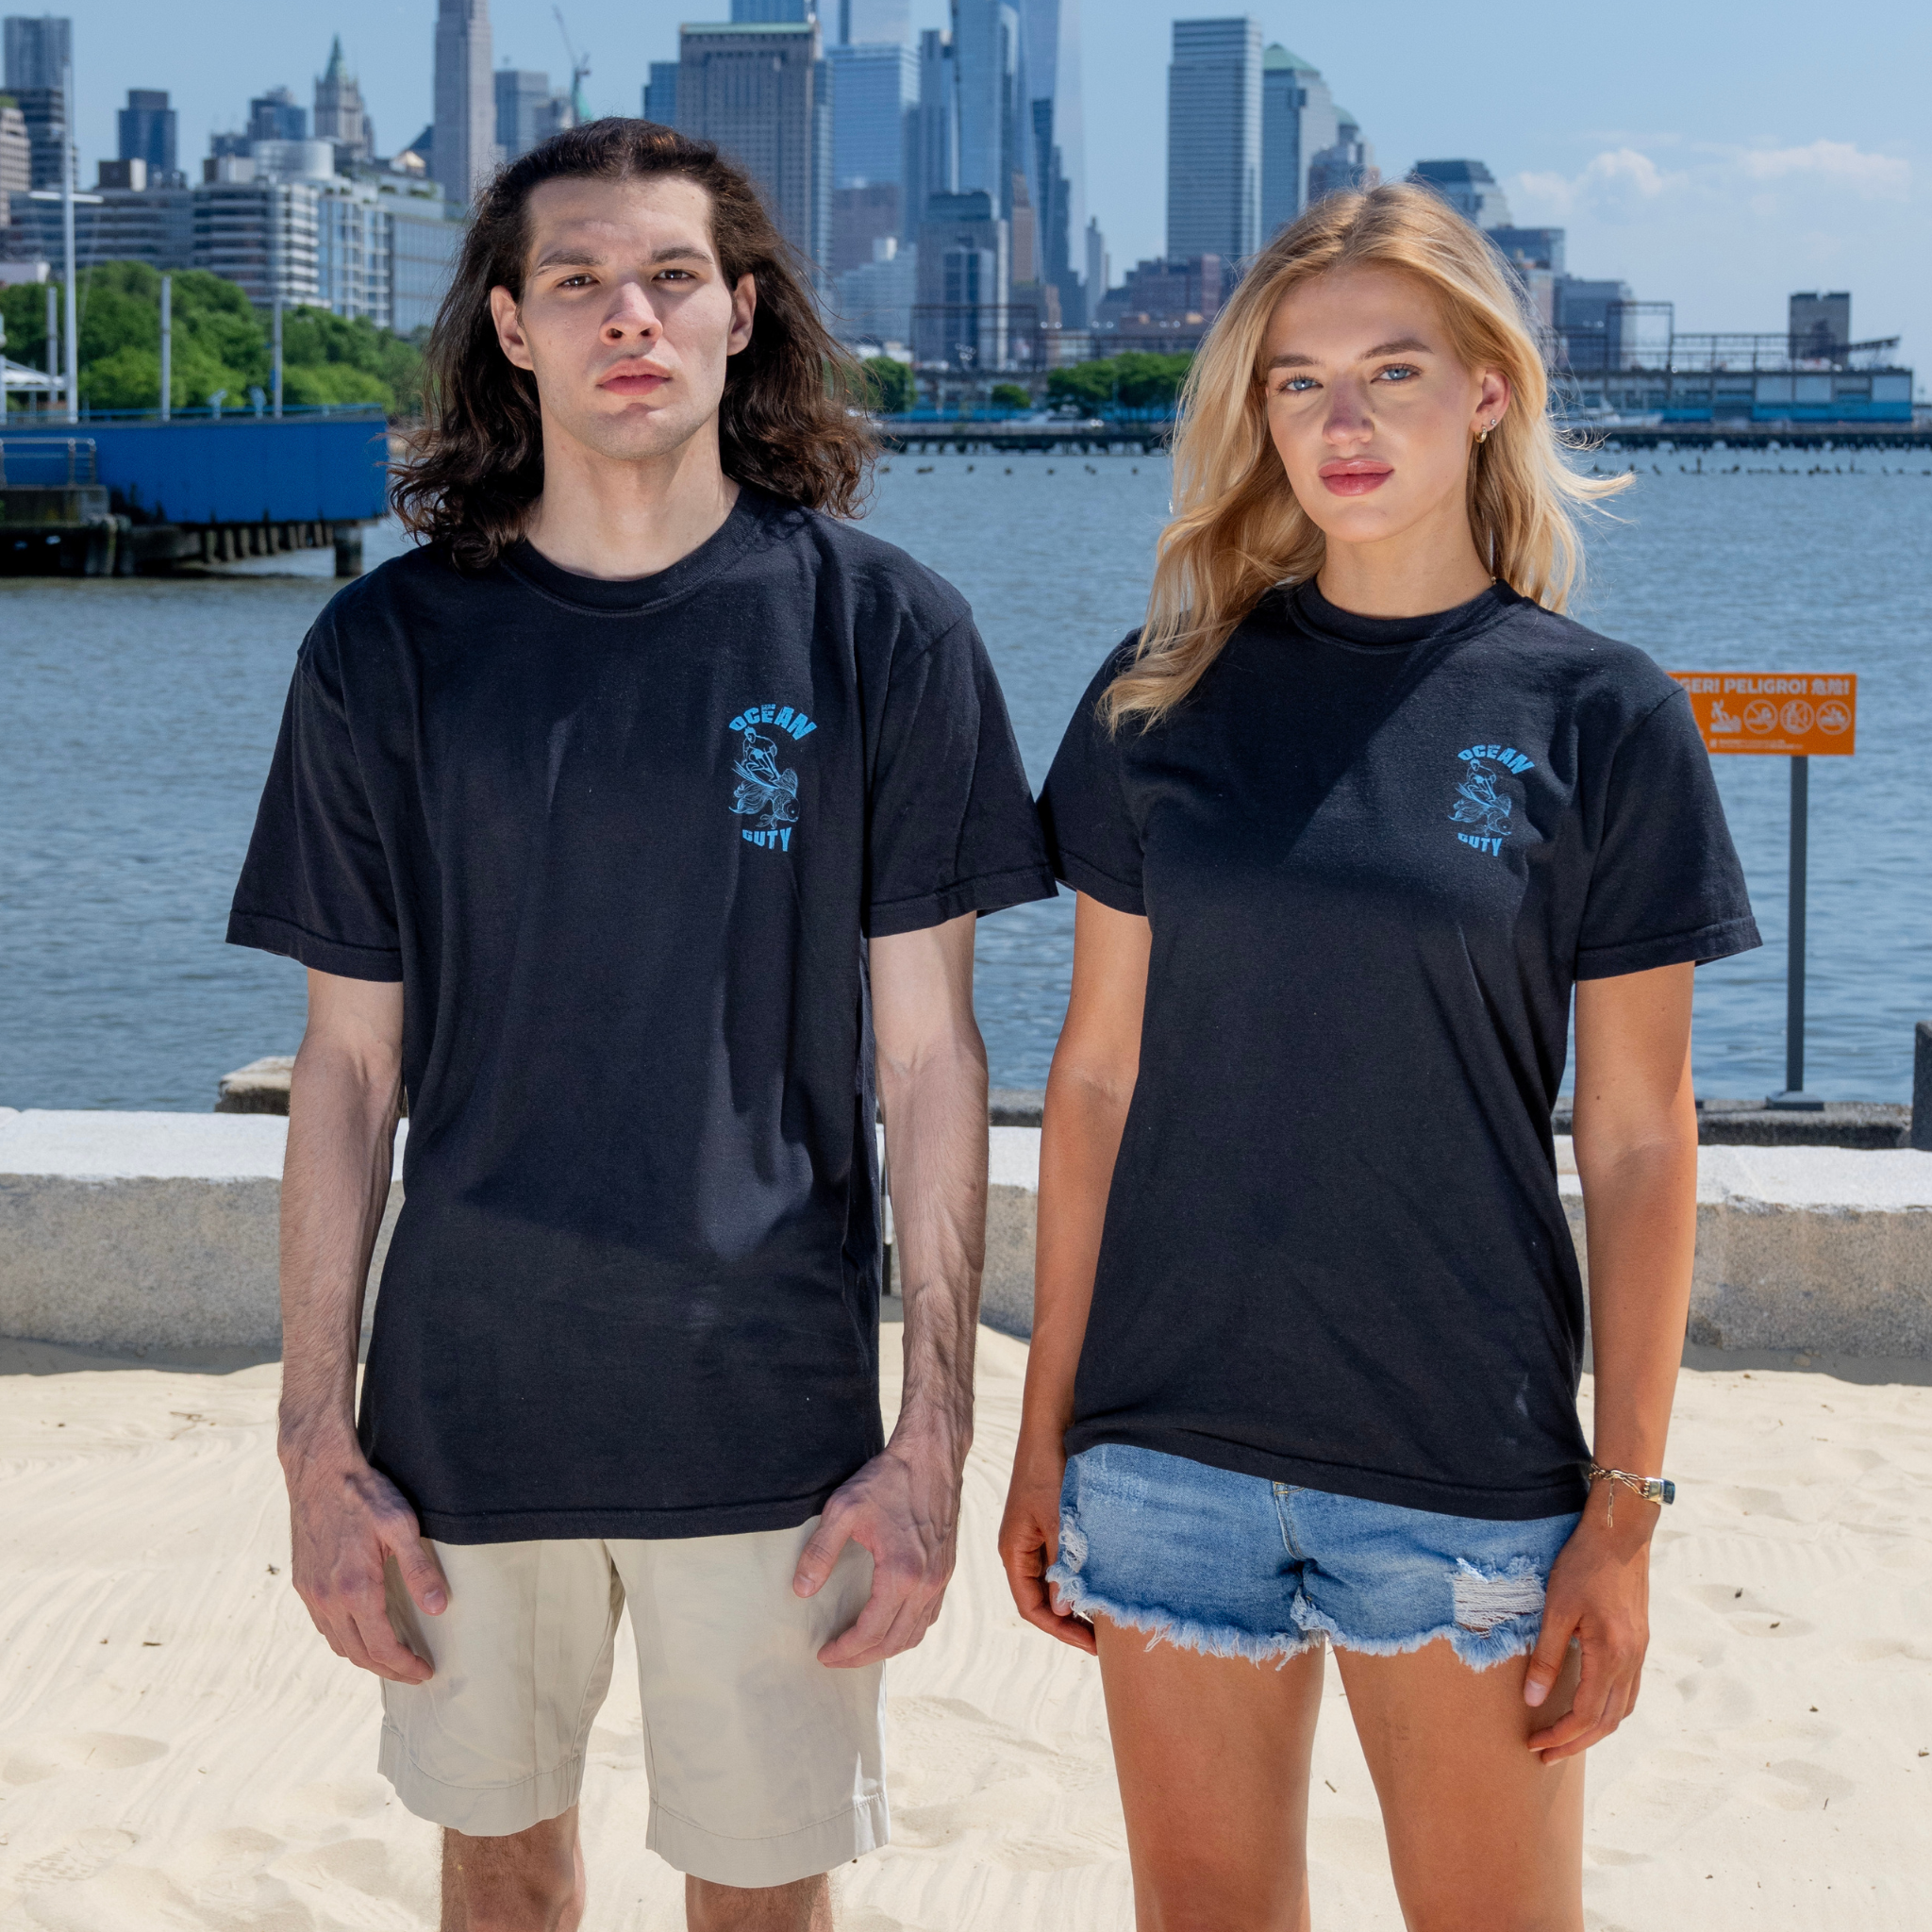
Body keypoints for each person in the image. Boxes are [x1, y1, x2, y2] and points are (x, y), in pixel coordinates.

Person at [229, 120, 1055, 1932]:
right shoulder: (386, 652)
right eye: (580, 280)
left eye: (673, 278)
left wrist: (934, 1441)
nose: (632, 317)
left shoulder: (883, 633)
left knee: (765, 1895)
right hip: (463, 1403)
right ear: (510, 329)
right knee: (502, 1886)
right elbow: (347, 1069)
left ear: (741, 315)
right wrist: (313, 1440)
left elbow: (931, 1065)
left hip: (772, 1408)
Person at [998, 182, 1759, 1930]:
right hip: (1165, 1457)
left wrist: (1625, 1512)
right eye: (1298, 383)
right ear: (1254, 414)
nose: (1343, 425)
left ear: (1488, 390)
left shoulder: (1602, 716)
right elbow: (1095, 1082)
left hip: (1464, 1465)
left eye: (1393, 373)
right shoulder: (1161, 693)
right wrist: (1043, 1439)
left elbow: (1642, 1140)